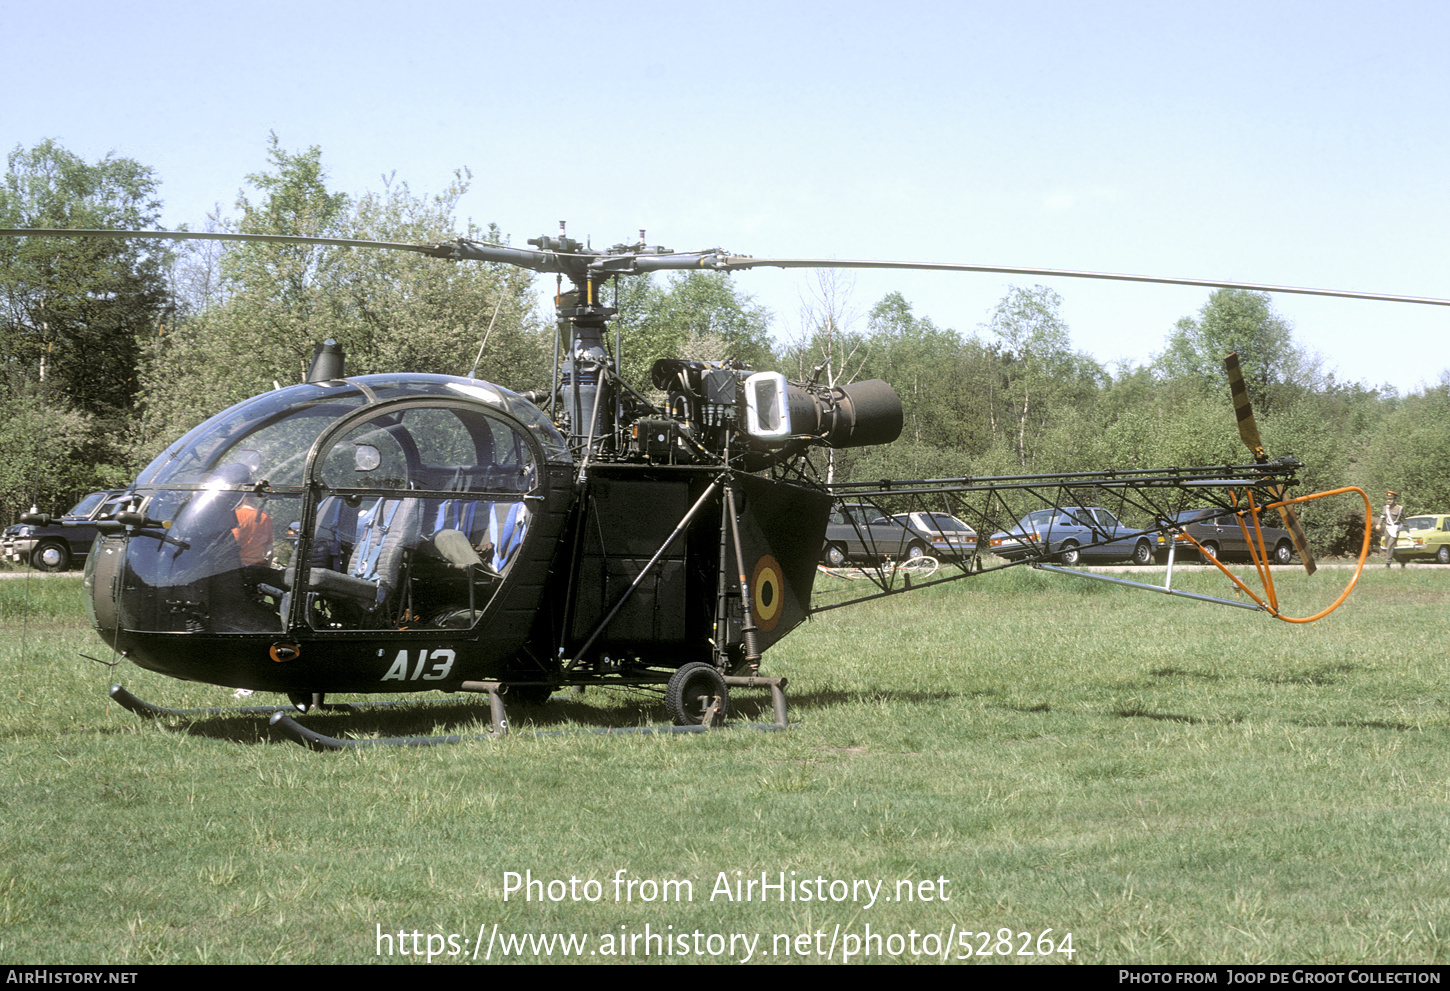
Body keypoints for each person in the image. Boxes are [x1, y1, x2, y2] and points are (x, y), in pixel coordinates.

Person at [1382, 491, 1406, 568]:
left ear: (1394, 499)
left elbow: (1403, 520)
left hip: (1395, 529)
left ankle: (1387, 563)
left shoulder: (1399, 508)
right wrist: (1379, 524)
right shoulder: (1385, 508)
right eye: (1388, 499)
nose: (1389, 500)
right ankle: (1402, 560)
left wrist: (1407, 530)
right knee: (1389, 548)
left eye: (1391, 499)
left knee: (1390, 546)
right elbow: (1382, 517)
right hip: (1387, 529)